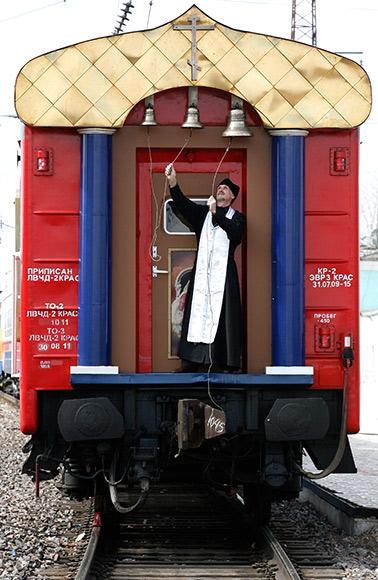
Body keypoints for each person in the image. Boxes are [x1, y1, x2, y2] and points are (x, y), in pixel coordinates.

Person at [165, 164, 245, 372]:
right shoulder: (203, 214)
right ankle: (192, 361)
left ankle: (223, 362)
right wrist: (173, 182)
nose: (220, 190)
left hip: (224, 275)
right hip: (202, 275)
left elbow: (234, 233)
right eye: (219, 188)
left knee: (223, 317)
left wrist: (216, 214)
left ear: (232, 197)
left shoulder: (237, 218)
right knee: (197, 314)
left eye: (225, 189)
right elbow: (183, 205)